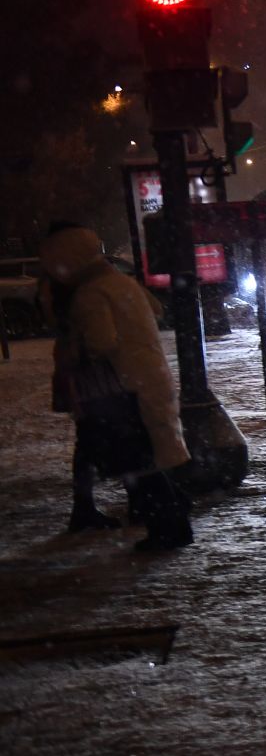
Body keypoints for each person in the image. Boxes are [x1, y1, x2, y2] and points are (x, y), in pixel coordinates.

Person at [39, 225, 195, 551]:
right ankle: (172, 519)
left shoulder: (90, 293)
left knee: (140, 461)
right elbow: (156, 309)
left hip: (122, 386)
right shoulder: (120, 282)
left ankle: (168, 529)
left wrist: (75, 348)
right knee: (149, 455)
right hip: (148, 375)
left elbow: (101, 341)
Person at [40, 224, 119, 533]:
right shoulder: (80, 284)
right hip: (90, 372)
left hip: (78, 369)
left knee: (90, 438)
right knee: (99, 436)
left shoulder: (57, 282)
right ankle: (88, 506)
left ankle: (85, 506)